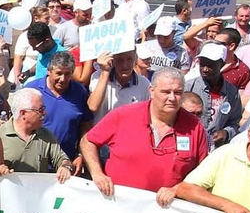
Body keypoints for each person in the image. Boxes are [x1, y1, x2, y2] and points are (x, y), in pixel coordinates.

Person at [82, 68, 208, 198]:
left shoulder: (195, 126)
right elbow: (88, 141)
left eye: (178, 93)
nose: (172, 98)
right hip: (118, 205)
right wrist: (97, 174)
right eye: (165, 92)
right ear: (152, 91)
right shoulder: (123, 115)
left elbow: (204, 172)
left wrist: (177, 189)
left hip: (167, 210)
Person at [27, 52, 92, 165]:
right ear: (49, 71)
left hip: (66, 163)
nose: (62, 79)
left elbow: (84, 126)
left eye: (67, 74)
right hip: (34, 164)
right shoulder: (31, 90)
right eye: (58, 73)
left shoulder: (79, 92)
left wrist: (81, 154)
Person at [0, 87, 73, 182]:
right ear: (23, 113)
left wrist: (65, 167)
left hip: (38, 193)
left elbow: (62, 158)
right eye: (40, 110)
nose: (45, 113)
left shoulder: (46, 135)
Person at [185, 44, 242, 147]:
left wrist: (226, 133)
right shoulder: (188, 87)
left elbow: (235, 121)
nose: (205, 69)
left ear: (221, 64)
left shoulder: (231, 92)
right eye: (202, 64)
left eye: (210, 65)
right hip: (189, 144)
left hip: (215, 148)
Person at [84, 50, 150, 118]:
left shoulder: (144, 83)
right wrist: (105, 72)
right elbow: (93, 106)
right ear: (112, 60)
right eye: (120, 60)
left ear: (135, 59)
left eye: (129, 59)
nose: (125, 65)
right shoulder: (98, 76)